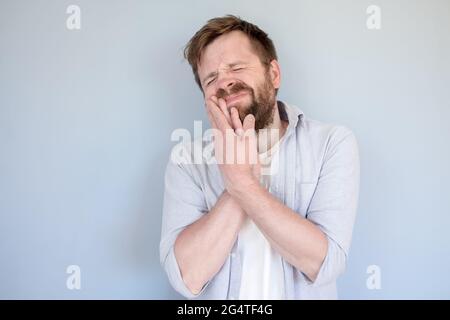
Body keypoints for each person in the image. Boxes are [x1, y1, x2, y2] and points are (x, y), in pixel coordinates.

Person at [160, 15, 360, 299]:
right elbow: (187, 278)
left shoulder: (331, 143)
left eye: (236, 67)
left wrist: (241, 182)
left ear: (274, 74)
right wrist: (237, 178)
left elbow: (324, 264)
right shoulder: (187, 159)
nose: (225, 82)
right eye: (211, 78)